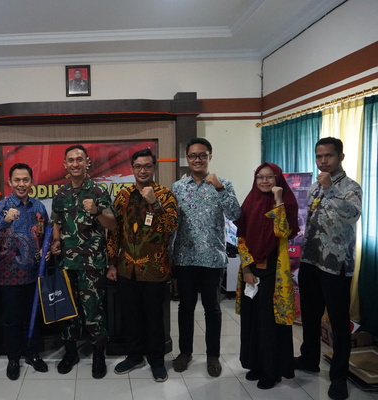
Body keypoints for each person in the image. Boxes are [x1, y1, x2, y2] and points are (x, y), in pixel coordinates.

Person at [294, 137, 362, 400]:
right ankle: (309, 358)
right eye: (319, 156)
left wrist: (330, 189)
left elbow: (352, 215)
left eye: (328, 156)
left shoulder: (351, 187)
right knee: (310, 316)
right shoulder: (313, 187)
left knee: (338, 321)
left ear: (340, 157)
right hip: (311, 261)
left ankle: (339, 376)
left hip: (336, 266)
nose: (323, 161)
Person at [170, 137, 240, 377]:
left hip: (212, 257)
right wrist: (168, 254)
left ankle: (213, 356)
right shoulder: (178, 187)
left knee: (212, 309)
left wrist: (219, 188)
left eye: (202, 155)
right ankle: (185, 353)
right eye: (193, 155)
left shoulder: (223, 184)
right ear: (187, 158)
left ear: (210, 156)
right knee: (185, 308)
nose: (197, 159)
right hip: (185, 257)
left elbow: (235, 214)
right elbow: (172, 222)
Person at [106, 149, 178, 382]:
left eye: (147, 166)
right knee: (131, 317)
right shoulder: (123, 195)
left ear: (154, 167)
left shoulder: (165, 195)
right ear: (132, 169)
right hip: (127, 268)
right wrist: (112, 263)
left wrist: (154, 203)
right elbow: (114, 231)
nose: (143, 170)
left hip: (155, 269)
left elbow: (171, 226)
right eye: (138, 166)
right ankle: (134, 356)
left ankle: (157, 361)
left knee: (154, 319)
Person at [50, 144, 116, 379]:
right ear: (65, 164)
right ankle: (71, 353)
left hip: (91, 264)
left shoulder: (98, 191)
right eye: (71, 160)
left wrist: (97, 210)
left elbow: (112, 224)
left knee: (93, 311)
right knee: (68, 310)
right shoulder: (60, 193)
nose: (75, 164)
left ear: (87, 162)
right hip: (67, 264)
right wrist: (56, 240)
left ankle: (99, 354)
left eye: (79, 159)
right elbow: (56, 222)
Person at [235, 162, 299, 389]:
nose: (264, 181)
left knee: (271, 321)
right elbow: (241, 236)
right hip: (251, 269)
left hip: (275, 270)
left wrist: (278, 201)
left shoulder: (288, 203)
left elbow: (282, 232)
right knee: (252, 319)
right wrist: (246, 269)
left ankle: (273, 371)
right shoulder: (250, 201)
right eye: (260, 177)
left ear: (278, 179)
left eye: (269, 177)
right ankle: (256, 364)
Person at [0, 163, 49, 380]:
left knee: (33, 317)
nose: (21, 184)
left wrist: (47, 250)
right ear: (10, 182)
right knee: (12, 320)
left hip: (34, 273)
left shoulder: (39, 207)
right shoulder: (1, 206)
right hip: (9, 275)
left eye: (25, 180)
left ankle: (33, 354)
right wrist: (5, 221)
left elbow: (46, 234)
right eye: (17, 180)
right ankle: (13, 358)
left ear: (31, 182)